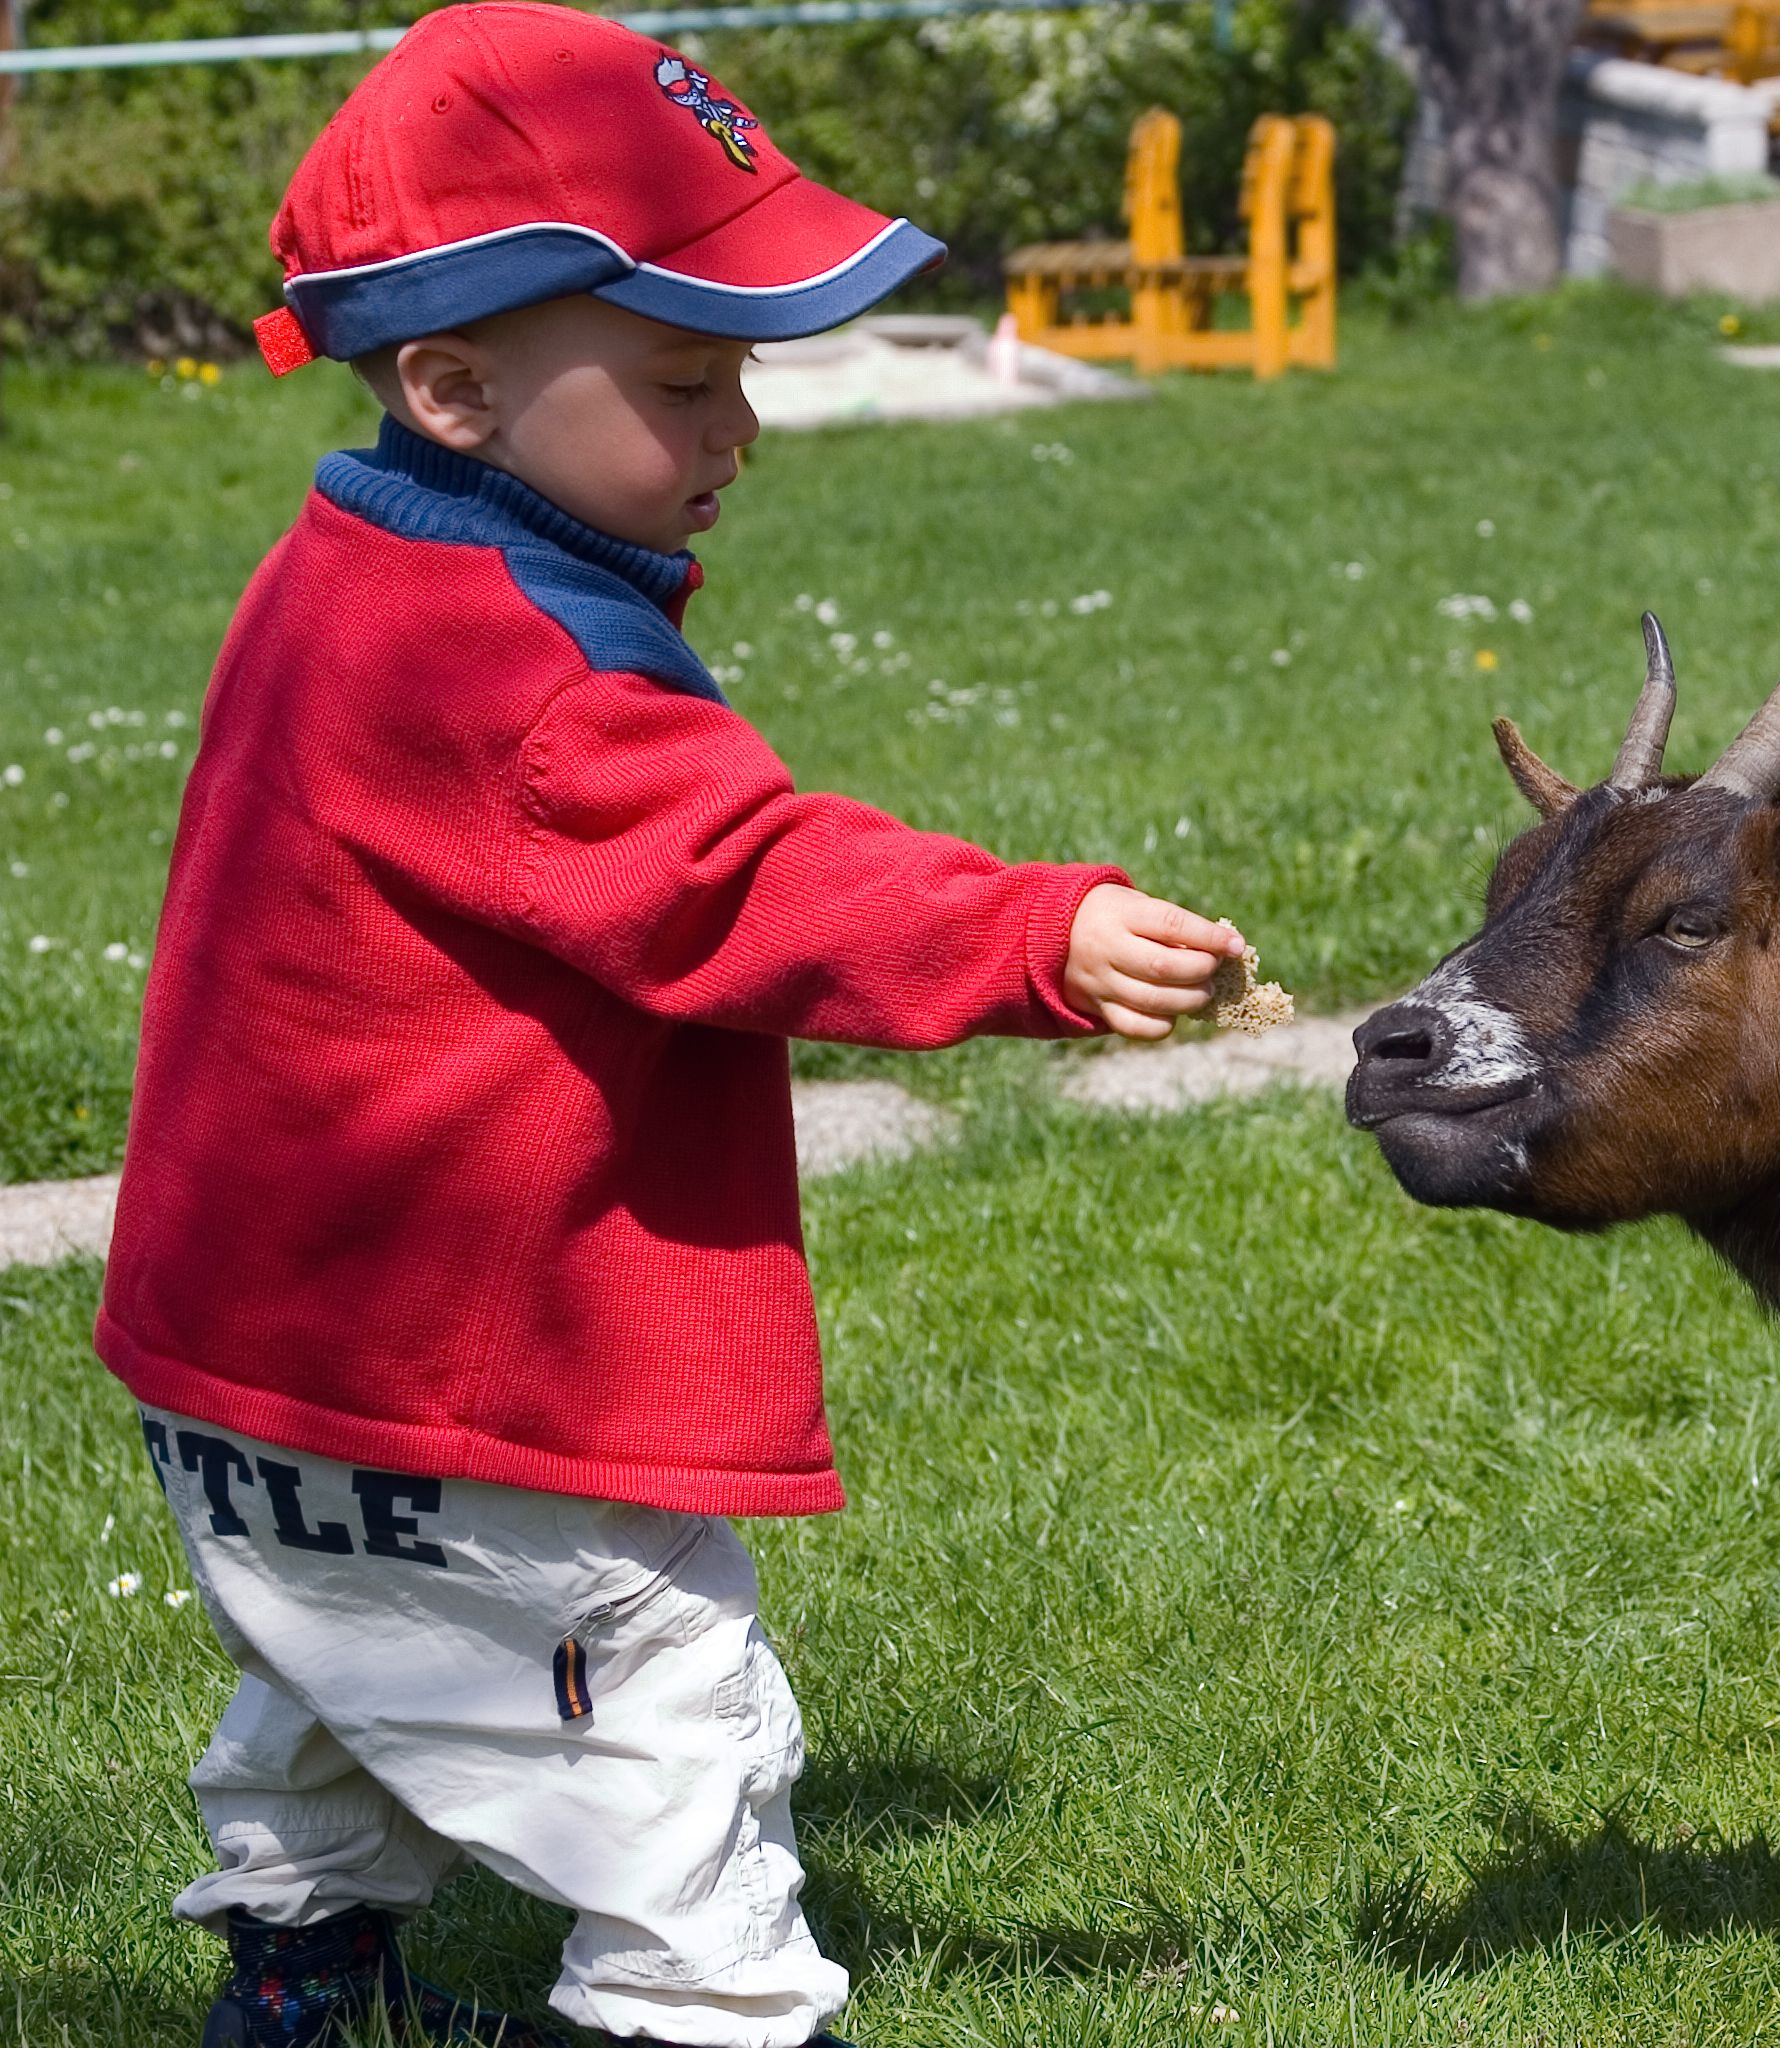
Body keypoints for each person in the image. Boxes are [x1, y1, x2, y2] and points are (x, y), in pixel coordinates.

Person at [105, 9, 1241, 2043]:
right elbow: (745, 877)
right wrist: (1037, 930)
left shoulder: (345, 565)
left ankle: (306, 1979)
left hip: (267, 1354)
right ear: (448, 384)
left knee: (356, 1661)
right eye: (683, 375)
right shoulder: (523, 673)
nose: (738, 428)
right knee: (658, 1716)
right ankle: (696, 2011)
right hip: (474, 1366)